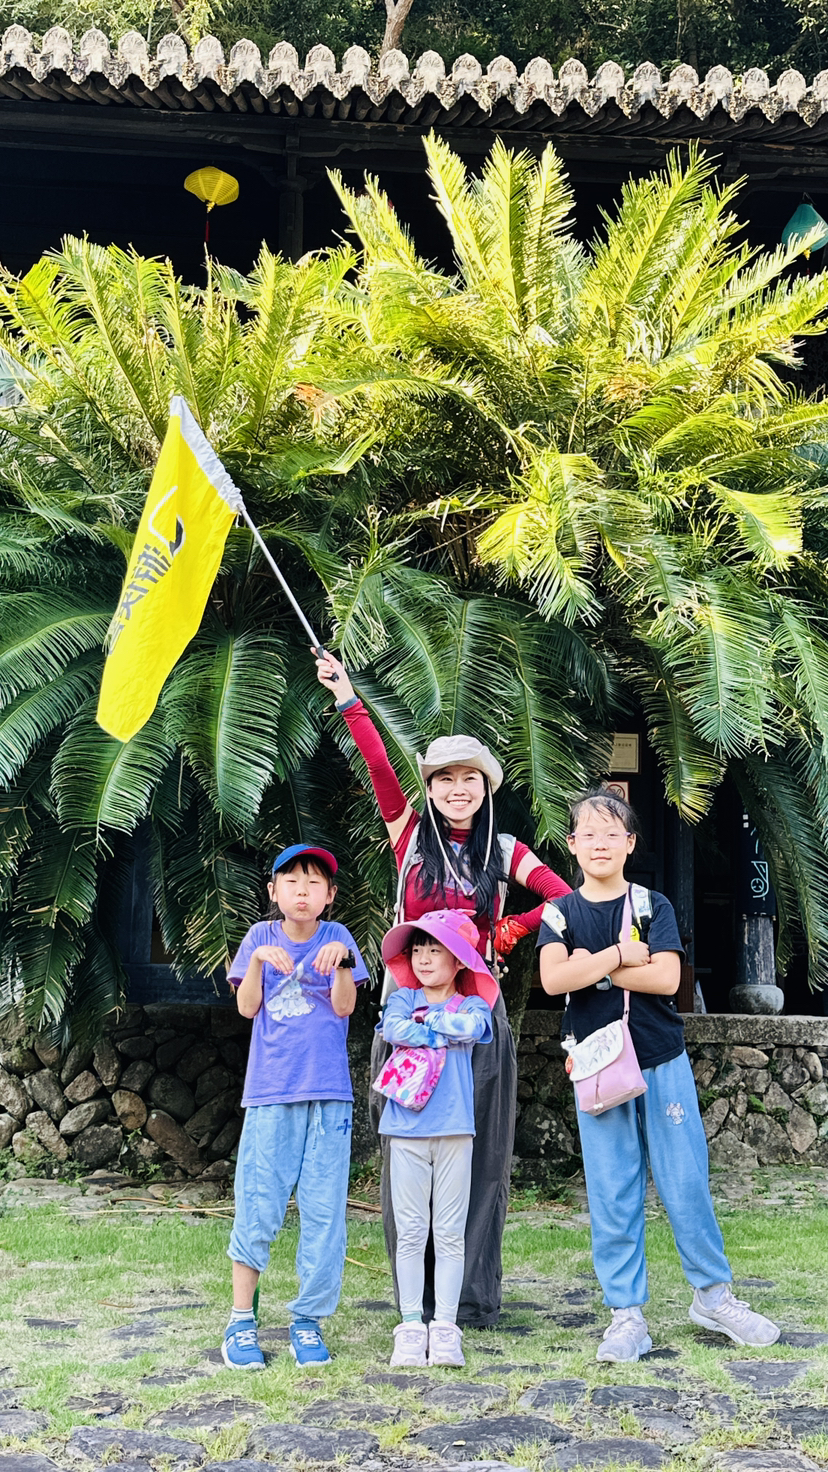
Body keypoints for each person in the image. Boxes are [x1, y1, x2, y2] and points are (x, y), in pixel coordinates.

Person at [315, 648, 570, 1328]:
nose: (458, 789)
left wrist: (509, 931)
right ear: (429, 789)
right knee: (405, 1158)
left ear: (487, 788)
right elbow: (377, 764)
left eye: (470, 778)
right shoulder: (407, 838)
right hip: (406, 1014)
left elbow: (564, 899)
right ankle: (413, 1305)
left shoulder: (505, 851)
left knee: (480, 1161)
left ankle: (468, 1302)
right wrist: (347, 696)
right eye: (445, 778)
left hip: (477, 1016)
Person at [538, 789, 780, 1363]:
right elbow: (552, 981)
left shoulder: (653, 904)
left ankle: (713, 1297)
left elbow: (667, 979)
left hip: (660, 1056)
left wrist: (591, 968)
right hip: (597, 1065)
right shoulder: (559, 913)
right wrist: (622, 958)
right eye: (588, 834)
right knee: (611, 1187)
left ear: (631, 844)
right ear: (572, 844)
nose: (599, 844)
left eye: (611, 834)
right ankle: (626, 1316)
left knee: (685, 1178)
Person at [223, 843, 369, 1370]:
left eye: (313, 884)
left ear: (330, 895)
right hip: (271, 1093)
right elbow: (247, 1007)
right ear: (274, 891)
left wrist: (344, 964)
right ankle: (241, 1321)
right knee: (258, 1203)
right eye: (292, 881)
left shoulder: (340, 937)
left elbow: (345, 1007)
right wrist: (259, 961)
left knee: (324, 1212)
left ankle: (307, 1320)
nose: (302, 892)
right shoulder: (259, 937)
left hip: (329, 1096)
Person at [377, 910, 495, 1368]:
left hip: (455, 1131)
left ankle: (445, 1326)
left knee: (448, 1232)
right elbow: (393, 1029)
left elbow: (474, 1029)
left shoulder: (473, 1004)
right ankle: (411, 1325)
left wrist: (424, 1029)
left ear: (459, 960)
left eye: (435, 950)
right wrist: (439, 1029)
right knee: (410, 1231)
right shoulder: (402, 999)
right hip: (405, 1130)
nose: (424, 959)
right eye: (417, 950)